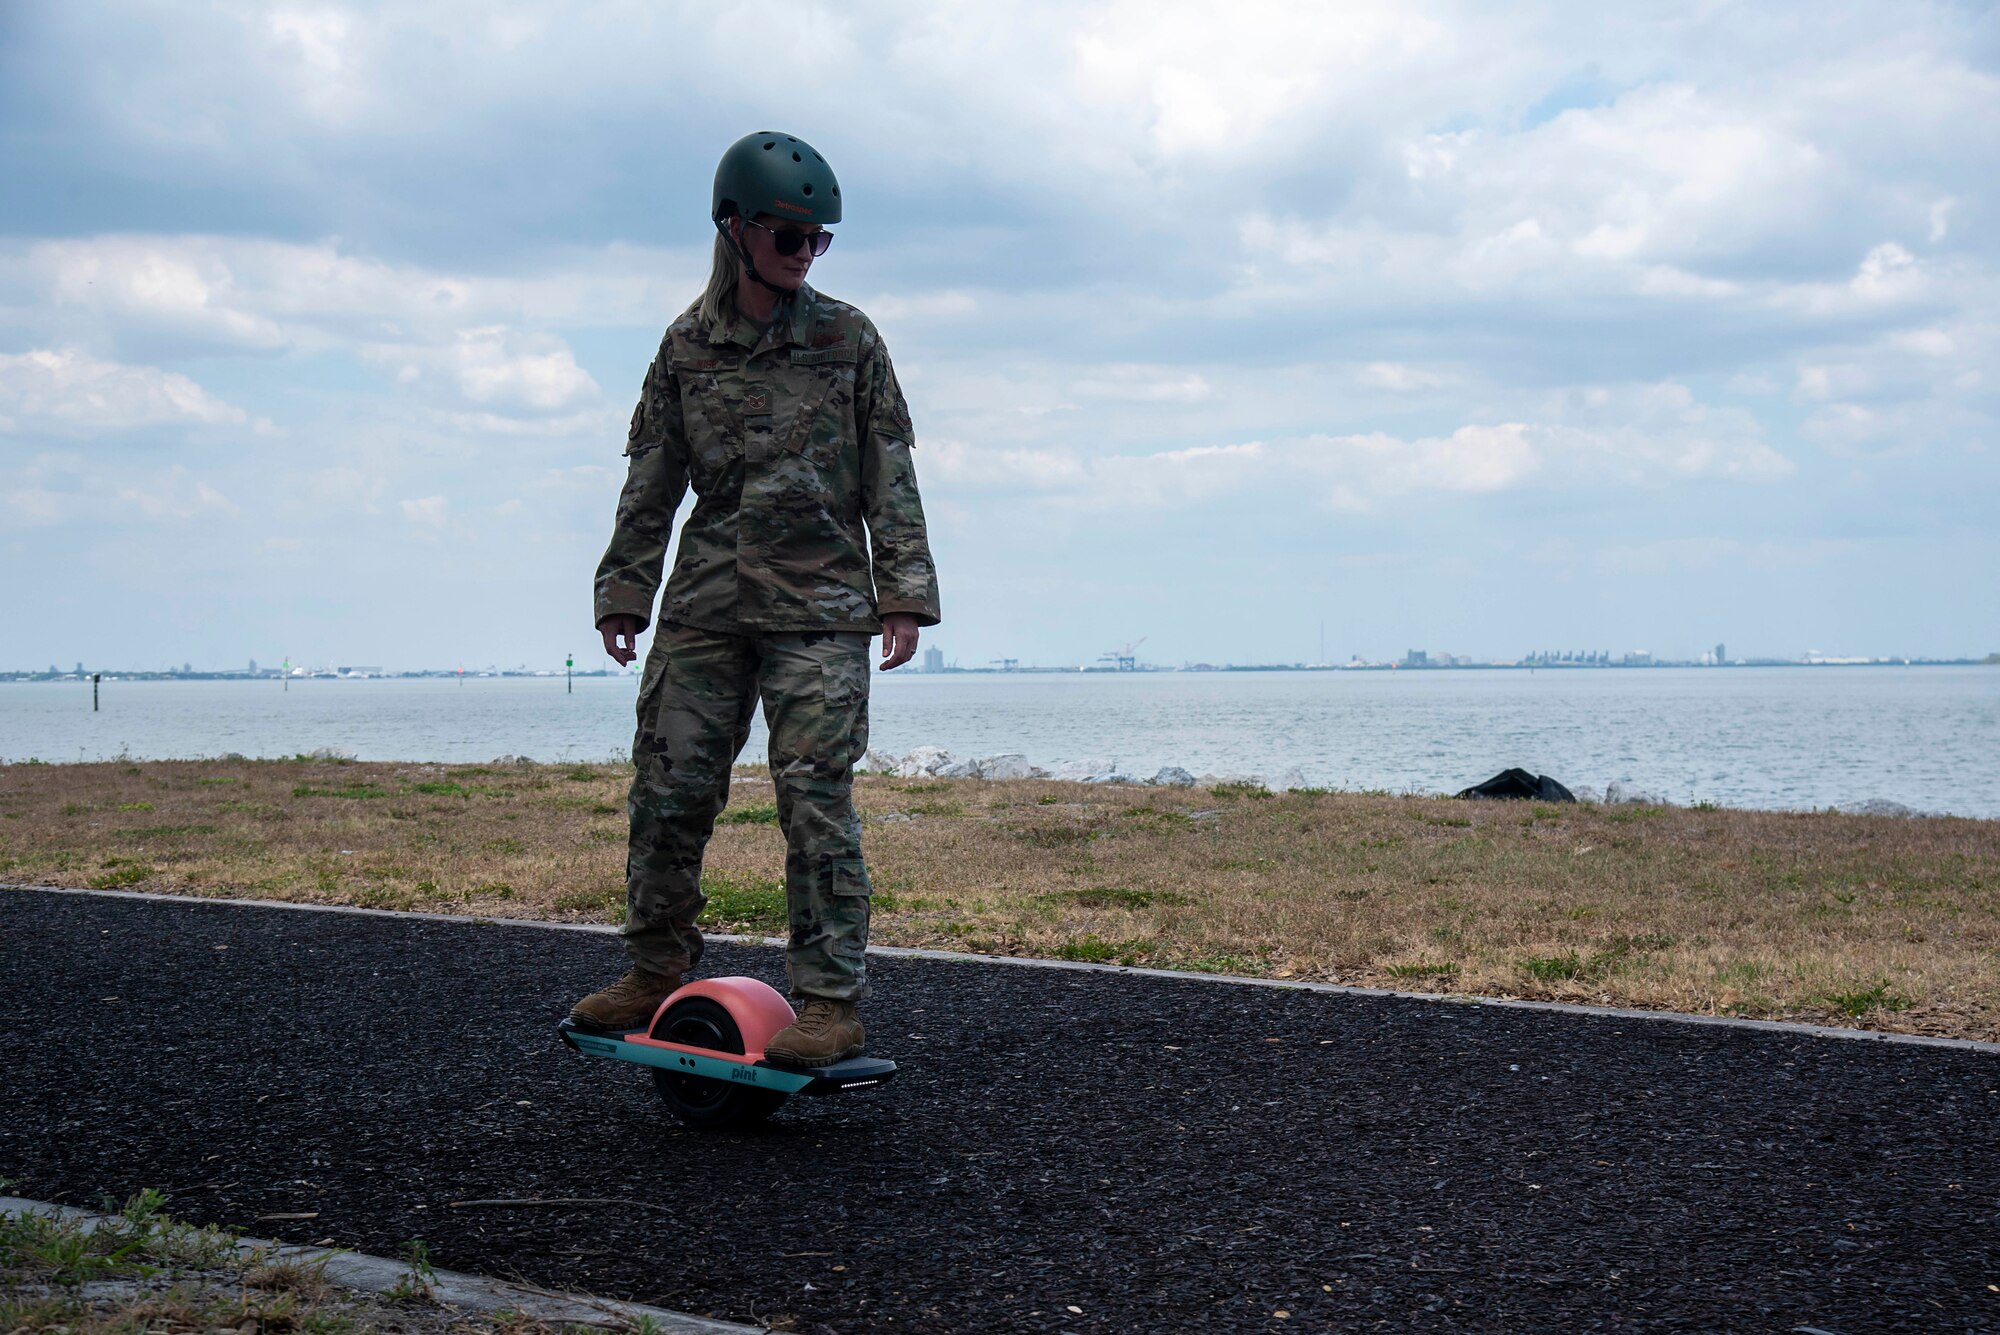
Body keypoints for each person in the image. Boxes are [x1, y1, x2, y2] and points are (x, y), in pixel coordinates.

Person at [568, 131, 940, 1068]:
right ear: (734, 229)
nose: (804, 252)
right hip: (707, 603)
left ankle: (829, 1005)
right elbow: (652, 479)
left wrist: (903, 596)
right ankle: (656, 968)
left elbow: (888, 473)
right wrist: (624, 589)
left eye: (819, 239)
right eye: (787, 235)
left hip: (820, 608)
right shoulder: (685, 347)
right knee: (668, 787)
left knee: (815, 801)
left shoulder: (848, 339)